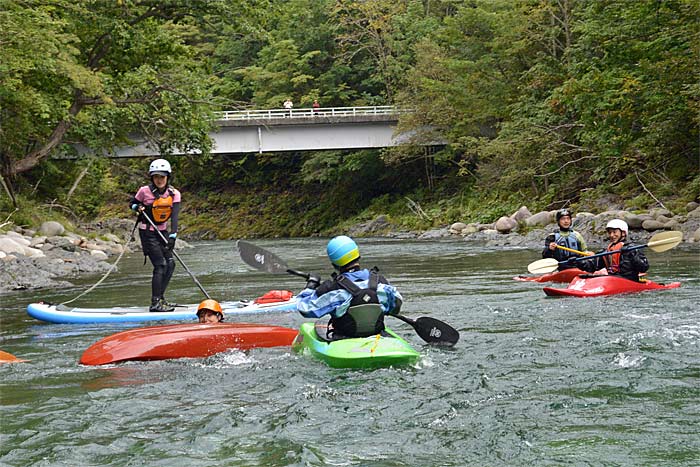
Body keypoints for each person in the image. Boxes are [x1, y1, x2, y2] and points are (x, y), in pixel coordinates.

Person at [296, 235, 403, 339]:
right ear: (358, 255)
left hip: (344, 338)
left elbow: (305, 309)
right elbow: (396, 306)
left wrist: (310, 286)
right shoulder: (381, 282)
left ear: (334, 264)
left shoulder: (331, 288)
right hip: (376, 335)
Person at [130, 158, 181, 312]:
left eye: (162, 177)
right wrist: (137, 207)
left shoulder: (174, 194)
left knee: (171, 264)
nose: (159, 180)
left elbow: (175, 217)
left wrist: (173, 236)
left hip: (163, 232)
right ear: (152, 177)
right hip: (147, 231)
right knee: (160, 265)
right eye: (156, 177)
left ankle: (161, 298)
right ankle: (155, 303)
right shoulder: (144, 191)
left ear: (167, 177)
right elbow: (132, 203)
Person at [575, 219, 649, 282]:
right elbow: (592, 267)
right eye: (610, 232)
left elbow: (644, 268)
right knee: (584, 276)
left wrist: (633, 254)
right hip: (613, 279)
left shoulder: (633, 249)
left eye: (614, 232)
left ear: (623, 233)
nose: (611, 235)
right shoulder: (607, 251)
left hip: (629, 280)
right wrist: (578, 262)